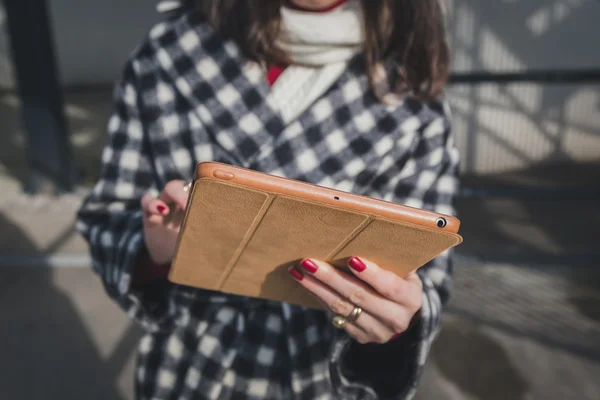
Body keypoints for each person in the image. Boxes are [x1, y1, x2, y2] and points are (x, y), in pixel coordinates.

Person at [76, 0, 458, 398]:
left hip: (319, 373)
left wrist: (391, 322)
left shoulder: (416, 95)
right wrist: (153, 252)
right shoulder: (169, 52)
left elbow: (427, 276)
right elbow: (108, 214)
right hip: (190, 362)